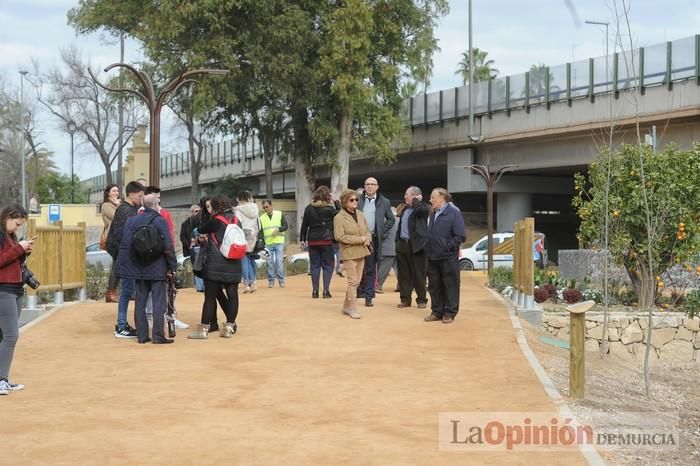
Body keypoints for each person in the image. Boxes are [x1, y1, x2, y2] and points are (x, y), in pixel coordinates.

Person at [117, 194, 177, 344]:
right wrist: (172, 265)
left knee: (140, 302)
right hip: (157, 267)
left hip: (139, 268)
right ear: (156, 205)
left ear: (143, 204)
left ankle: (142, 336)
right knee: (158, 302)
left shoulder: (131, 221)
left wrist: (127, 268)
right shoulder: (160, 221)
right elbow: (168, 246)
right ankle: (158, 336)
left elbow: (126, 245)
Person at [195, 195, 241, 338]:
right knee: (233, 295)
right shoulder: (236, 220)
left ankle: (202, 331)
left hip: (216, 264)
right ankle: (229, 328)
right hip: (234, 262)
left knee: (209, 297)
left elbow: (200, 229)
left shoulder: (215, 221)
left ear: (214, 207)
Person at [0, 205, 33, 395]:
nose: (17, 228)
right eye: (17, 224)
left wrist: (23, 250)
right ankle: (1, 379)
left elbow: (13, 261)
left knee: (5, 336)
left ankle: (3, 378)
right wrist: (18, 248)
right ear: (7, 218)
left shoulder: (10, 236)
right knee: (11, 335)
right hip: (3, 289)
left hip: (15, 288)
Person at [106, 181, 144, 339]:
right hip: (127, 257)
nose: (141, 199)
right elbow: (124, 237)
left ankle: (122, 324)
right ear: (131, 194)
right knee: (127, 291)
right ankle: (121, 326)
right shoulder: (126, 211)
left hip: (125, 257)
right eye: (140, 196)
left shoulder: (127, 210)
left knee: (127, 292)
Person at [424, 188, 466, 324]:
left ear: (442, 197)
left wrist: (447, 246)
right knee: (434, 285)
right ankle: (437, 311)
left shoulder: (454, 213)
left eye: (433, 197)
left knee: (450, 285)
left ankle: (449, 312)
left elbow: (460, 235)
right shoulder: (433, 214)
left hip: (448, 257)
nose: (430, 200)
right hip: (433, 256)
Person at [356, 177, 395, 307]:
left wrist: (382, 232)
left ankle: (368, 296)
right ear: (364, 186)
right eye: (367, 184)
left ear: (377, 187)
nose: (370, 186)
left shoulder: (384, 202)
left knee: (370, 268)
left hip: (373, 238)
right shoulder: (357, 200)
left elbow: (391, 219)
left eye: (373, 184)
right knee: (357, 267)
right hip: (358, 238)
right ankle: (356, 292)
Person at [334, 189, 371, 319]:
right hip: (349, 253)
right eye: (352, 200)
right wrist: (359, 239)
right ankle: (352, 308)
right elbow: (339, 236)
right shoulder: (339, 217)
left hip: (362, 252)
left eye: (356, 199)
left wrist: (367, 238)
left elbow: (367, 230)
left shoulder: (360, 214)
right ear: (344, 202)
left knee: (357, 281)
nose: (355, 202)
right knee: (353, 281)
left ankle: (346, 306)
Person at [299, 186, 339, 299]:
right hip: (326, 240)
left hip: (312, 241)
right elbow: (340, 213)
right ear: (328, 196)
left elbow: (304, 225)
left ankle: (315, 291)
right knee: (328, 265)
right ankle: (326, 291)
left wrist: (302, 239)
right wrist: (336, 201)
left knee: (315, 266)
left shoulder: (308, 208)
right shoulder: (329, 209)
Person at [395, 187, 430, 309]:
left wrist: (416, 201)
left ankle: (421, 300)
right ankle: (405, 299)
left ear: (415, 196)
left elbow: (420, 209)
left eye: (407, 195)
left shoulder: (423, 208)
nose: (405, 197)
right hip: (403, 244)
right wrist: (397, 242)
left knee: (419, 274)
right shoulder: (405, 209)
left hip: (417, 246)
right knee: (403, 274)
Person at [235, 191, 260, 293]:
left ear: (240, 199)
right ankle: (253, 283)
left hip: (243, 235)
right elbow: (258, 225)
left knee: (244, 260)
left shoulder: (238, 210)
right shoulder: (255, 208)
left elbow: (238, 224)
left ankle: (246, 284)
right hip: (253, 235)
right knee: (249, 259)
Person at [260, 199, 288, 288]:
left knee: (279, 262)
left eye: (267, 207)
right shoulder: (261, 218)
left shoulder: (279, 214)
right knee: (270, 263)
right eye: (264, 207)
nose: (265, 209)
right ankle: (271, 281)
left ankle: (281, 281)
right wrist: (262, 244)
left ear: (271, 206)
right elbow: (261, 232)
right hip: (268, 244)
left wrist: (278, 229)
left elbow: (285, 226)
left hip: (279, 242)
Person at [100, 184, 121, 303]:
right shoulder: (106, 205)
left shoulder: (117, 204)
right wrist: (119, 206)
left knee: (118, 265)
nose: (116, 193)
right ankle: (110, 293)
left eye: (117, 190)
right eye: (113, 191)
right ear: (108, 193)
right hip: (112, 239)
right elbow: (117, 217)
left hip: (119, 237)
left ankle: (113, 292)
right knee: (116, 265)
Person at [377, 205, 400, 293]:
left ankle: (377, 285)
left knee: (383, 269)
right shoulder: (400, 220)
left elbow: (382, 235)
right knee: (400, 270)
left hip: (387, 249)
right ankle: (402, 286)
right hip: (398, 249)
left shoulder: (385, 221)